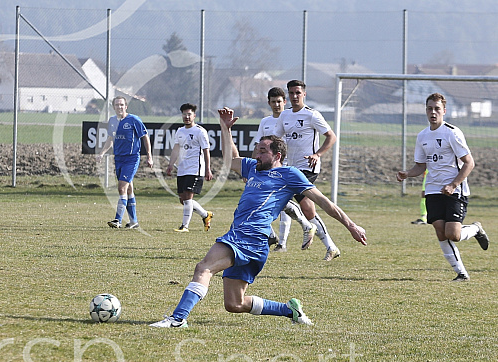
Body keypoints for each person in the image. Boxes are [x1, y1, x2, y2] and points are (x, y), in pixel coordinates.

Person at [150, 107, 367, 328]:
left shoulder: (289, 175)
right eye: (256, 149)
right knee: (234, 304)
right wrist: (226, 129)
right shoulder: (253, 168)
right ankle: (289, 310)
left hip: (250, 236)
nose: (256, 154)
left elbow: (325, 203)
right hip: (249, 239)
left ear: (277, 155)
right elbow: (229, 160)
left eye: (263, 151)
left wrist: (351, 226)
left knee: (204, 268)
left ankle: (177, 319)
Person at [396, 93, 489, 281]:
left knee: (453, 234)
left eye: (437, 109)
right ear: (425, 110)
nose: (433, 112)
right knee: (440, 231)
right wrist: (408, 174)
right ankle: (461, 273)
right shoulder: (422, 136)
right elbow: (421, 165)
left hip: (455, 190)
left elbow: (469, 163)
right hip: (433, 189)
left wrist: (454, 184)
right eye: (430, 108)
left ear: (444, 111)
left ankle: (476, 229)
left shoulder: (452, 133)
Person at [273, 80, 341, 261]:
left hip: (307, 167)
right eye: (292, 93)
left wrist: (317, 154)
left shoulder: (312, 115)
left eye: (298, 93)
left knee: (280, 198)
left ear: (304, 94)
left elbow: (331, 136)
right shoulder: (284, 116)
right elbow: (276, 139)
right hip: (290, 167)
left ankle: (302, 227)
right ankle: (331, 246)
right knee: (308, 210)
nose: (294, 96)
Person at [257, 86, 316, 252]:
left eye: (279, 101)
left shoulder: (292, 118)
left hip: (288, 167)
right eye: (273, 102)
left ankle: (282, 242)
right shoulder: (265, 122)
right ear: (268, 103)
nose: (276, 105)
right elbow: (258, 145)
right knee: (273, 202)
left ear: (285, 102)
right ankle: (278, 236)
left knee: (283, 202)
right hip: (269, 170)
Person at [98, 96, 153, 229]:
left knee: (121, 187)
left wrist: (149, 156)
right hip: (119, 158)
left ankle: (118, 219)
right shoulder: (112, 121)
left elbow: (145, 136)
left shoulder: (133, 120)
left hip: (132, 158)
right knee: (129, 189)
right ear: (114, 107)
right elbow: (110, 138)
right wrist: (102, 152)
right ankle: (134, 221)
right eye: (117, 105)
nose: (120, 107)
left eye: (122, 105)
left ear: (126, 106)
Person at [166, 103, 214, 232]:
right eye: (184, 114)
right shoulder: (180, 131)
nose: (186, 117)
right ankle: (205, 215)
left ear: (194, 115)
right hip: (182, 169)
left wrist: (208, 169)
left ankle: (184, 226)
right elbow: (176, 148)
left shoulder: (200, 131)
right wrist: (171, 164)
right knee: (183, 200)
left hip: (195, 169)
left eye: (189, 114)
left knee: (188, 198)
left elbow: (206, 150)